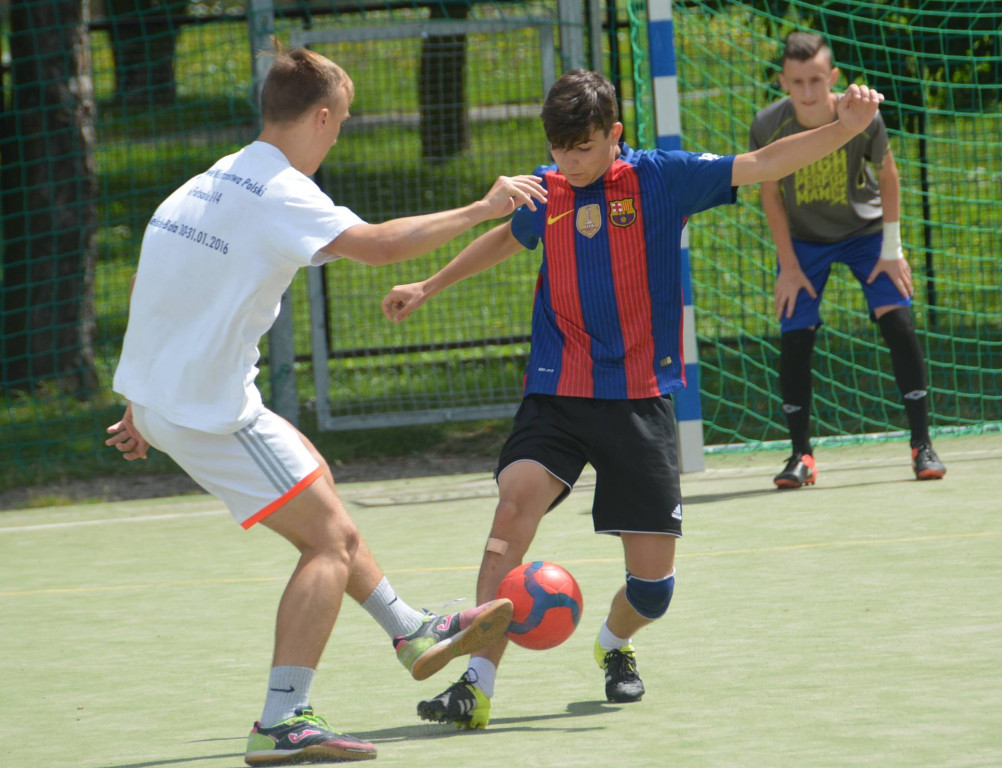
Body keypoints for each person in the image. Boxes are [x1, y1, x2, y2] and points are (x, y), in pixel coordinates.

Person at [379, 68, 886, 730]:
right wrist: (429, 286)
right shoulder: (547, 188)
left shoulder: (660, 179)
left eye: (584, 147)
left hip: (639, 396)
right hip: (557, 389)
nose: (569, 161)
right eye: (560, 147)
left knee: (653, 588)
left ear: (613, 134)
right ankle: (475, 687)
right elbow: (506, 236)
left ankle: (615, 647)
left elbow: (762, 161)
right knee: (512, 513)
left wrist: (841, 129)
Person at [103, 39, 547, 766]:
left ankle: (411, 629)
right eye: (339, 123)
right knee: (329, 542)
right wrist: (482, 206)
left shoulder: (208, 182)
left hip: (167, 399)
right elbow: (378, 245)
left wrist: (139, 399)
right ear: (317, 116)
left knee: (314, 472)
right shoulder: (281, 191)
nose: (336, 137)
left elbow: (156, 284)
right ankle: (283, 719)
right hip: (210, 410)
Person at [749, 31, 947, 489]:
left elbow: (889, 174)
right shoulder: (768, 124)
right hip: (803, 242)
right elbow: (770, 194)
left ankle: (922, 444)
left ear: (833, 77)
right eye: (797, 82)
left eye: (816, 80)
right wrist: (789, 264)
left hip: (865, 233)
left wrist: (892, 248)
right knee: (794, 332)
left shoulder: (860, 116)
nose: (808, 92)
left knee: (897, 318)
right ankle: (801, 455)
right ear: (782, 82)